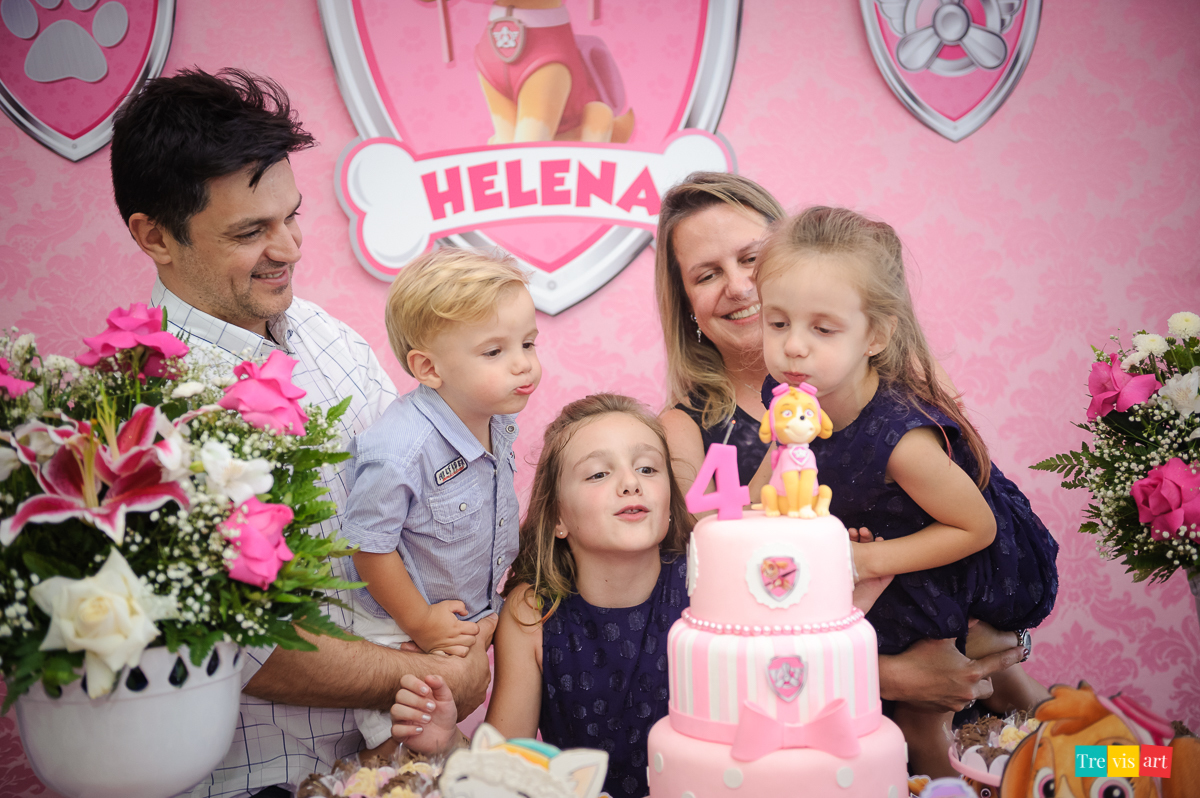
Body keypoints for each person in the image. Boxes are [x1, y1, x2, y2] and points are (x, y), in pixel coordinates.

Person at [110, 67, 494, 798]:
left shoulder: (324, 334)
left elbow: (410, 516)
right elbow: (250, 649)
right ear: (154, 236)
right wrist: (433, 676)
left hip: (393, 766)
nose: (287, 248)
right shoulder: (143, 408)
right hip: (263, 783)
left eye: (291, 216)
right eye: (251, 232)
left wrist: (461, 630)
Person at [654, 172, 1028, 725]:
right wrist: (887, 673)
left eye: (751, 259)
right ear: (686, 301)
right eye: (708, 274)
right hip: (823, 698)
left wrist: (1000, 641)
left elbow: (972, 529)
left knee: (1063, 751)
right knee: (922, 756)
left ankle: (1153, 763)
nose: (739, 287)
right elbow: (716, 598)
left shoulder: (898, 393)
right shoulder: (686, 428)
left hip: (960, 635)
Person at [755, 206, 1059, 777]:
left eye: (822, 328)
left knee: (926, 725)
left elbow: (977, 527)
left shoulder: (901, 440)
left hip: (954, 568)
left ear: (877, 334)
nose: (793, 347)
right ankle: (1087, 756)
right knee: (1003, 720)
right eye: (777, 323)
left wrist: (865, 558)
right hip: (895, 566)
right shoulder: (793, 390)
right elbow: (774, 468)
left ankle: (1142, 761)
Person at [340, 248, 541, 757]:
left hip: (462, 620)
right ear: (428, 367)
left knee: (441, 742)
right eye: (494, 352)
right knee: (405, 752)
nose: (523, 363)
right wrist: (420, 623)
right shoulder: (400, 449)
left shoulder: (493, 416)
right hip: (395, 628)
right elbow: (368, 547)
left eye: (528, 343)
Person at [477, 394, 692, 798]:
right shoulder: (532, 613)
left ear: (668, 502)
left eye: (647, 468)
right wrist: (443, 741)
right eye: (598, 475)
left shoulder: (706, 584)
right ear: (558, 516)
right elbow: (500, 772)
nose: (631, 483)